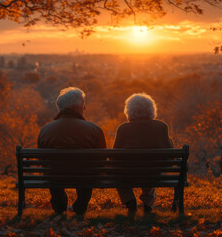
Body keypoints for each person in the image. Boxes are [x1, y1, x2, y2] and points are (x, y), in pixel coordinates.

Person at [37, 87, 106, 215]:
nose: (84, 108)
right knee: (88, 172)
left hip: (55, 176)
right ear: (76, 107)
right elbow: (101, 160)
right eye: (83, 104)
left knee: (51, 170)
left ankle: (59, 205)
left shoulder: (46, 130)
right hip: (85, 177)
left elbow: (42, 160)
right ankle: (81, 206)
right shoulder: (94, 130)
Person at [113, 93, 174, 213]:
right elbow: (170, 155)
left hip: (128, 174)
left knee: (121, 178)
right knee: (150, 168)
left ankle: (129, 200)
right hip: (153, 173)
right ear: (151, 109)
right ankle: (148, 203)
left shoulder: (123, 128)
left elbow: (114, 157)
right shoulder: (161, 127)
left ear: (129, 110)